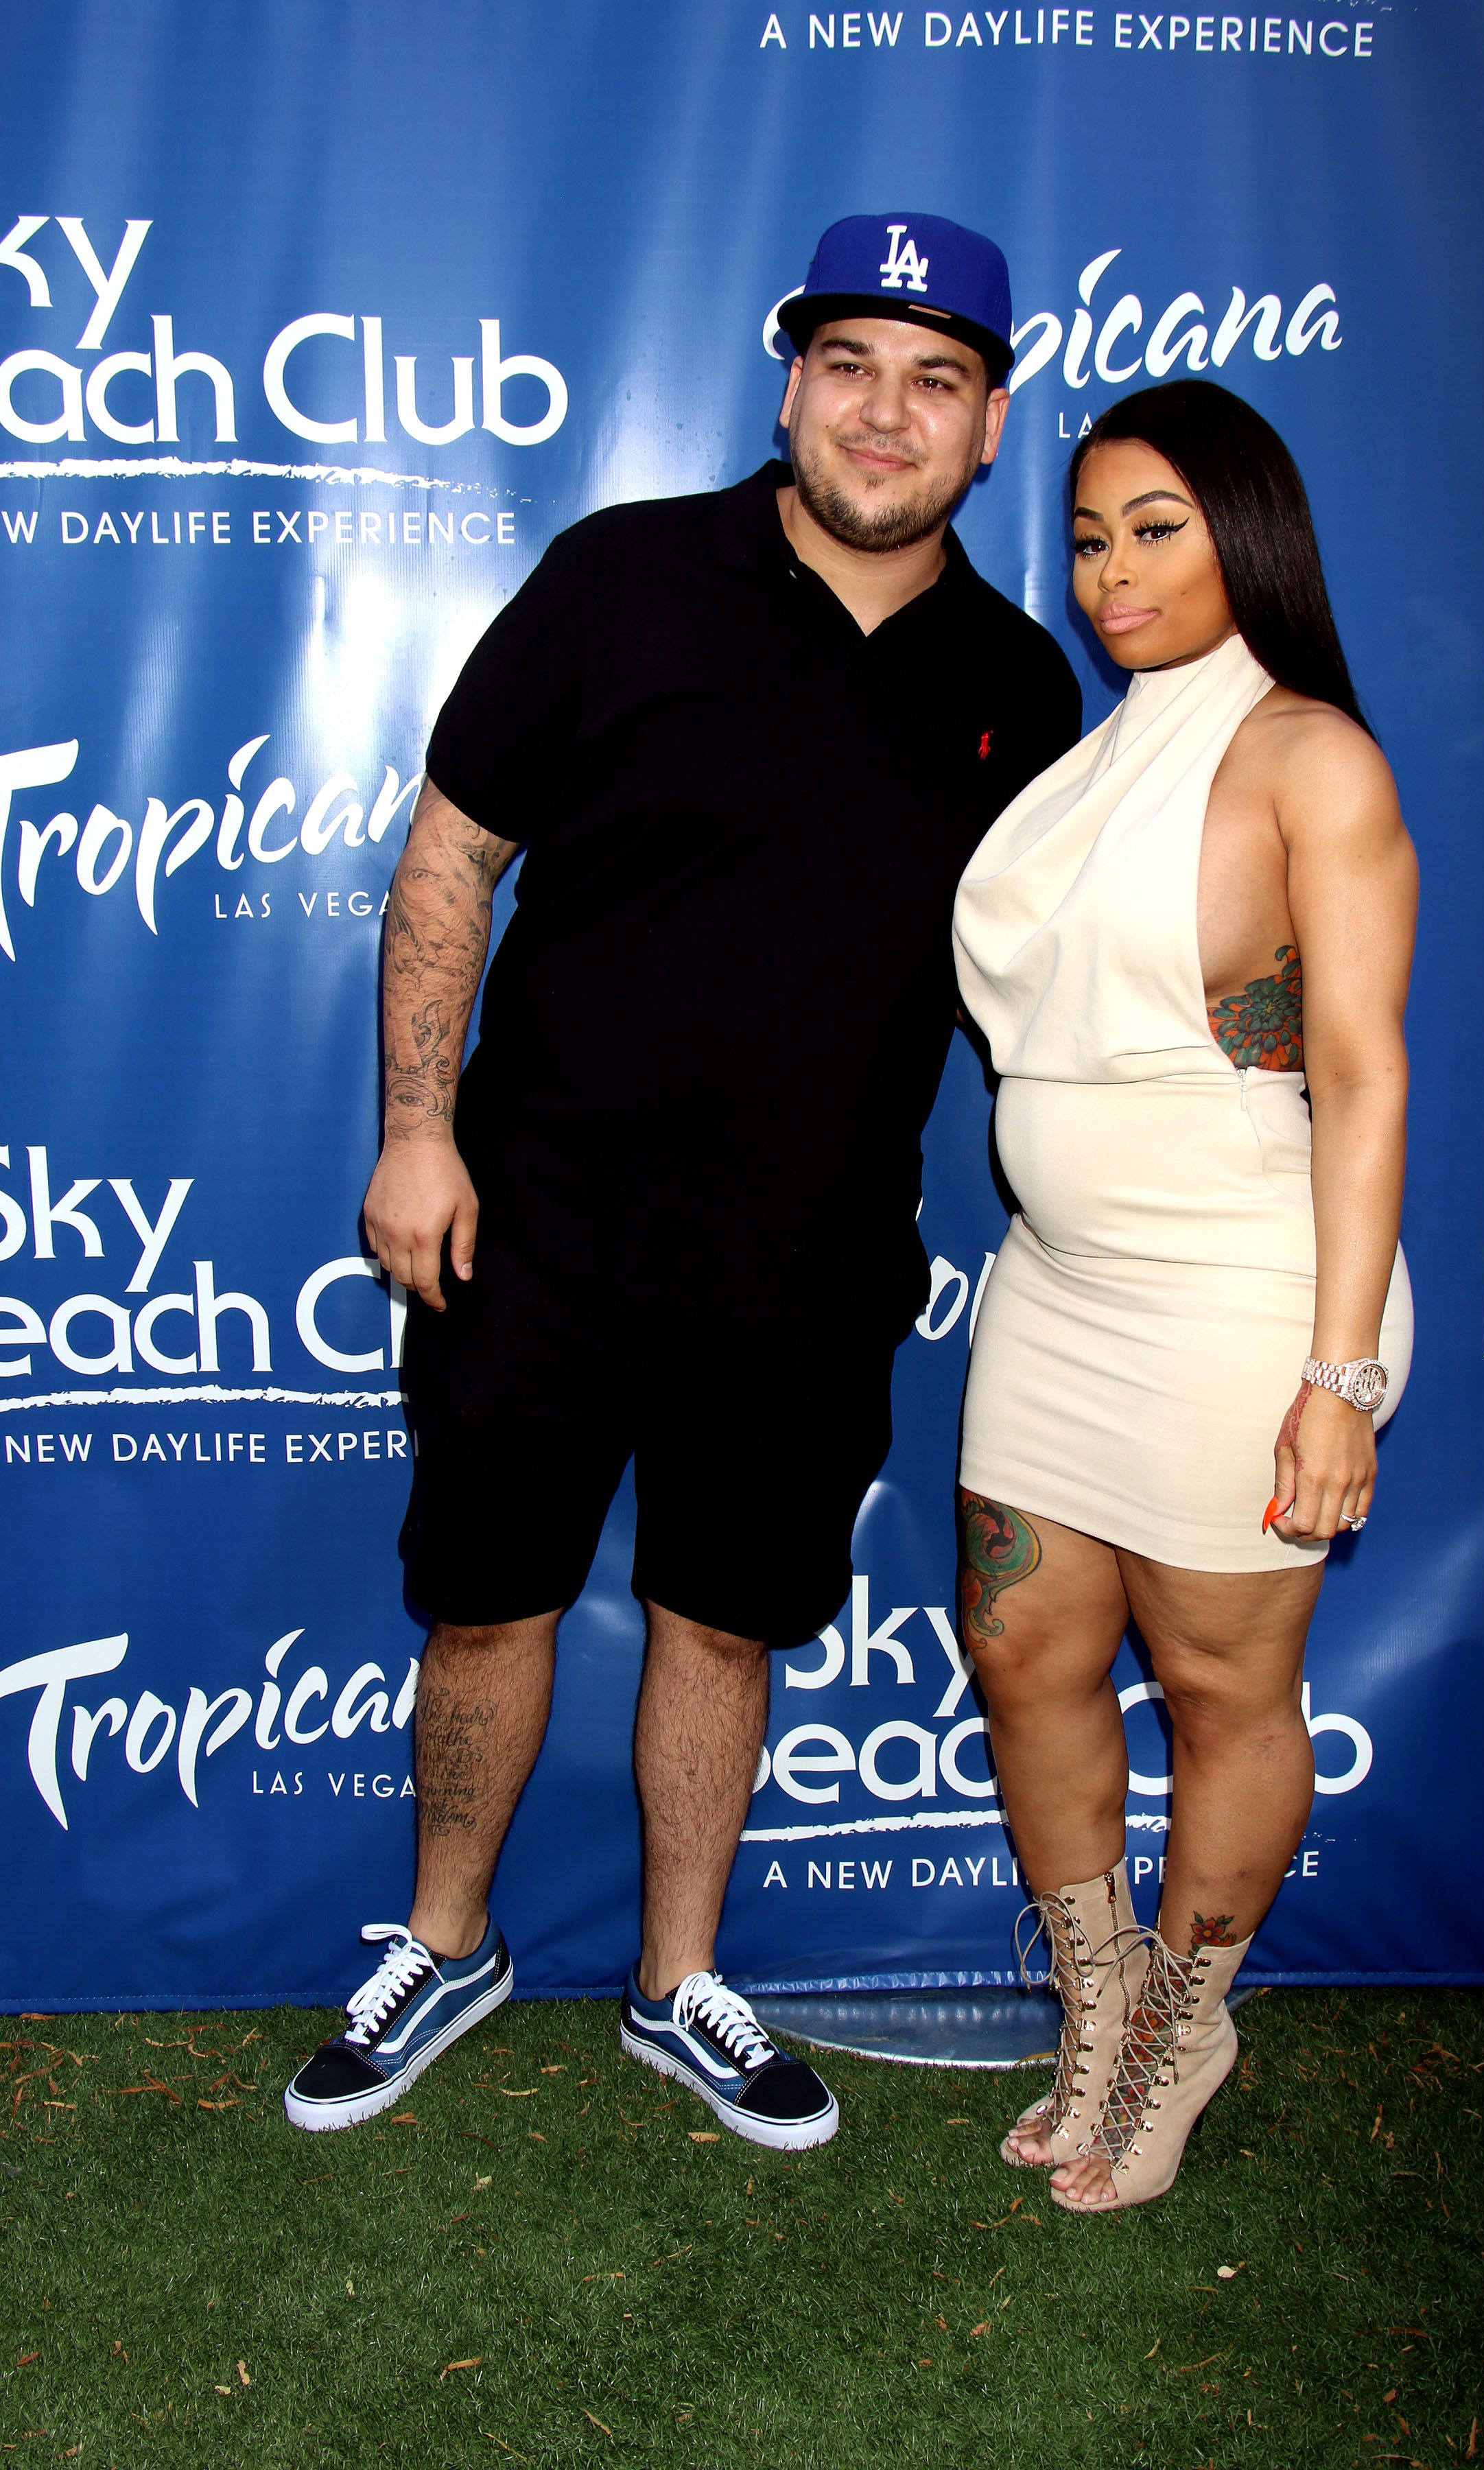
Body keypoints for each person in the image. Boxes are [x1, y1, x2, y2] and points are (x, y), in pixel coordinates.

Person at [283, 213, 1083, 2148]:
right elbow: (451, 859)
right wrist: (416, 1131)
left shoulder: (1022, 685)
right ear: (790, 383)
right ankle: (447, 1943)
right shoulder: (620, 577)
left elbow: (1053, 994)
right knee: (488, 1602)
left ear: (990, 426)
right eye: (851, 365)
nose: (885, 413)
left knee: (725, 1619)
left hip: (809, 1261)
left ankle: (678, 1982)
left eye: (937, 379)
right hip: (533, 1226)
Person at [951, 379, 1417, 2212]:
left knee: (1226, 1690)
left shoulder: (1312, 757)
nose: (1113, 571)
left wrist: (1338, 1377)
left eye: (1156, 528)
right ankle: (1100, 2006)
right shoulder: (1090, 763)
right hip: (1054, 1286)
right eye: (1087, 538)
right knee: (1023, 1650)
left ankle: (1182, 2033)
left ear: (1249, 535)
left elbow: (1361, 1076)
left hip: (1245, 1298)